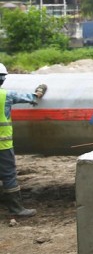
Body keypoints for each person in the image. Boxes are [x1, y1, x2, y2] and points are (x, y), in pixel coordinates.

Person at [0, 63, 46, 217]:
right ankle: (16, 209)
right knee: (8, 175)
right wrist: (40, 91)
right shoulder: (6, 95)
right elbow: (32, 98)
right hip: (3, 145)